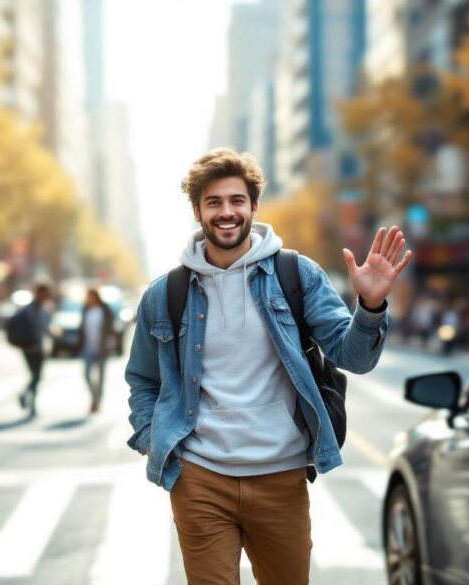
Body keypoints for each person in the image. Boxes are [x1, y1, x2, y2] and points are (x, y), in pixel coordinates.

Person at [124, 148, 412, 584]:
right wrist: (154, 439)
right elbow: (142, 378)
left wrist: (370, 305)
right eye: (214, 202)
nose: (226, 212)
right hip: (201, 478)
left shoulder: (296, 275)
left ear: (254, 206)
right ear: (197, 210)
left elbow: (354, 357)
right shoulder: (165, 294)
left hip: (281, 476)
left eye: (236, 201)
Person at [14, 279, 53, 418]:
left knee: (36, 376)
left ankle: (30, 401)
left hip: (40, 348)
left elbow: (47, 329)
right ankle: (29, 399)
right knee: (35, 376)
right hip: (30, 348)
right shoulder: (30, 310)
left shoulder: (44, 310)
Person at [79, 287, 116, 415]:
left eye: (91, 296)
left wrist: (110, 343)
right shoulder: (85, 310)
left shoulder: (104, 310)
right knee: (87, 375)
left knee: (100, 377)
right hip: (88, 348)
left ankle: (97, 402)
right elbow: (81, 328)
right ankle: (94, 397)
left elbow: (111, 328)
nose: (90, 299)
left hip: (102, 349)